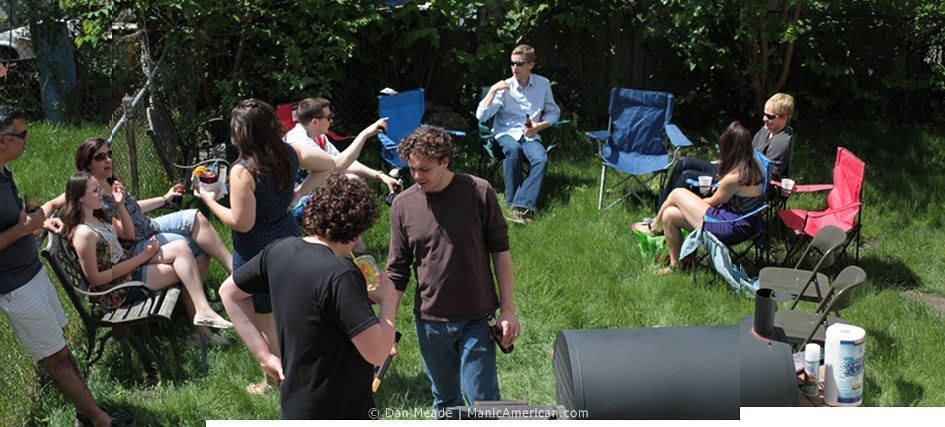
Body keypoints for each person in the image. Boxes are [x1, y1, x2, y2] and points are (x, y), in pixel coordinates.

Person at [196, 98, 384, 395]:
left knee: (266, 319)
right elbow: (329, 165)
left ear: (241, 134)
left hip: (257, 249)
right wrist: (297, 193)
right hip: (289, 238)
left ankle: (276, 379)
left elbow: (241, 222)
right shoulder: (289, 152)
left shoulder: (243, 171)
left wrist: (208, 200)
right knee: (291, 309)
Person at [219, 176, 397, 419]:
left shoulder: (279, 250)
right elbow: (377, 353)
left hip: (295, 403)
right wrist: (388, 301)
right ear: (357, 231)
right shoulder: (341, 274)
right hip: (340, 409)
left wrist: (264, 356)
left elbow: (229, 292)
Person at [0, 105, 126, 427]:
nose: (28, 138)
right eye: (22, 134)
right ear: (3, 140)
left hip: (31, 274)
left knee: (60, 347)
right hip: (15, 289)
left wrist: (36, 223)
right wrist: (23, 229)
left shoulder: (4, 173)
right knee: (56, 359)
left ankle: (87, 413)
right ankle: (100, 421)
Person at [386, 126, 520, 415]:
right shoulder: (403, 205)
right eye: (412, 169)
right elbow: (397, 271)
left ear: (446, 161)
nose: (418, 177)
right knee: (446, 402)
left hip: (476, 317)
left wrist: (507, 310)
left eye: (425, 169)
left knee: (484, 401)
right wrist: (387, 325)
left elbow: (501, 251)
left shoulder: (479, 192)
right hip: (430, 322)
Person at [60, 171, 233, 330]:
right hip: (119, 289)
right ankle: (201, 326)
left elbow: (128, 234)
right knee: (186, 268)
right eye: (95, 190)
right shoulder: (84, 233)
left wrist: (119, 205)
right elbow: (95, 279)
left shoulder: (98, 216)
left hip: (129, 270)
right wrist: (143, 257)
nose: (101, 193)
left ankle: (203, 311)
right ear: (80, 197)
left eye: (100, 188)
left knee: (182, 249)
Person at [43, 137, 234, 279]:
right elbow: (52, 204)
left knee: (195, 217)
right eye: (100, 157)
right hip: (138, 241)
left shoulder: (110, 180)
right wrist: (42, 221)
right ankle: (198, 307)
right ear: (88, 164)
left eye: (109, 154)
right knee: (194, 244)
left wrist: (164, 199)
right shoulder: (88, 190)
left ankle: (234, 272)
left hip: (148, 224)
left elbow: (133, 207)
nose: (108, 160)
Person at [634, 122, 764, 275]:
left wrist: (688, 203)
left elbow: (713, 201)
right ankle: (676, 265)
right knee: (670, 214)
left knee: (677, 194)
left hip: (731, 227)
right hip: (740, 220)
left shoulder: (735, 178)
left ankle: (654, 228)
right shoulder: (754, 165)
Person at [655, 93, 795, 210]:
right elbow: (747, 154)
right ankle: (661, 208)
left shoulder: (781, 142)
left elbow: (769, 176)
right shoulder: (766, 130)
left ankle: (666, 216)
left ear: (784, 117)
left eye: (770, 116)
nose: (765, 119)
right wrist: (726, 162)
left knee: (687, 175)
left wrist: (730, 176)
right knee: (683, 162)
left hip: (743, 180)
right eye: (765, 114)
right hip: (736, 169)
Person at [475, 44, 560, 225]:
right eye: (512, 63)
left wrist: (540, 126)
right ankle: (514, 204)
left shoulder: (543, 84)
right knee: (513, 150)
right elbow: (481, 116)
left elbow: (554, 112)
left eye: (519, 63)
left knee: (541, 159)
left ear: (531, 65)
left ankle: (522, 204)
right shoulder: (504, 87)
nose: (514, 67)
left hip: (530, 135)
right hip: (504, 134)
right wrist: (492, 90)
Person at [285, 97, 400, 222]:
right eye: (328, 118)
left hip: (311, 190)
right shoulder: (299, 140)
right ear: (315, 122)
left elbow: (346, 164)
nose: (331, 121)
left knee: (354, 181)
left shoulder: (319, 137)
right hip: (294, 201)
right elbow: (338, 165)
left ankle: (350, 238)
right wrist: (364, 135)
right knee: (346, 194)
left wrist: (380, 176)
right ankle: (341, 237)